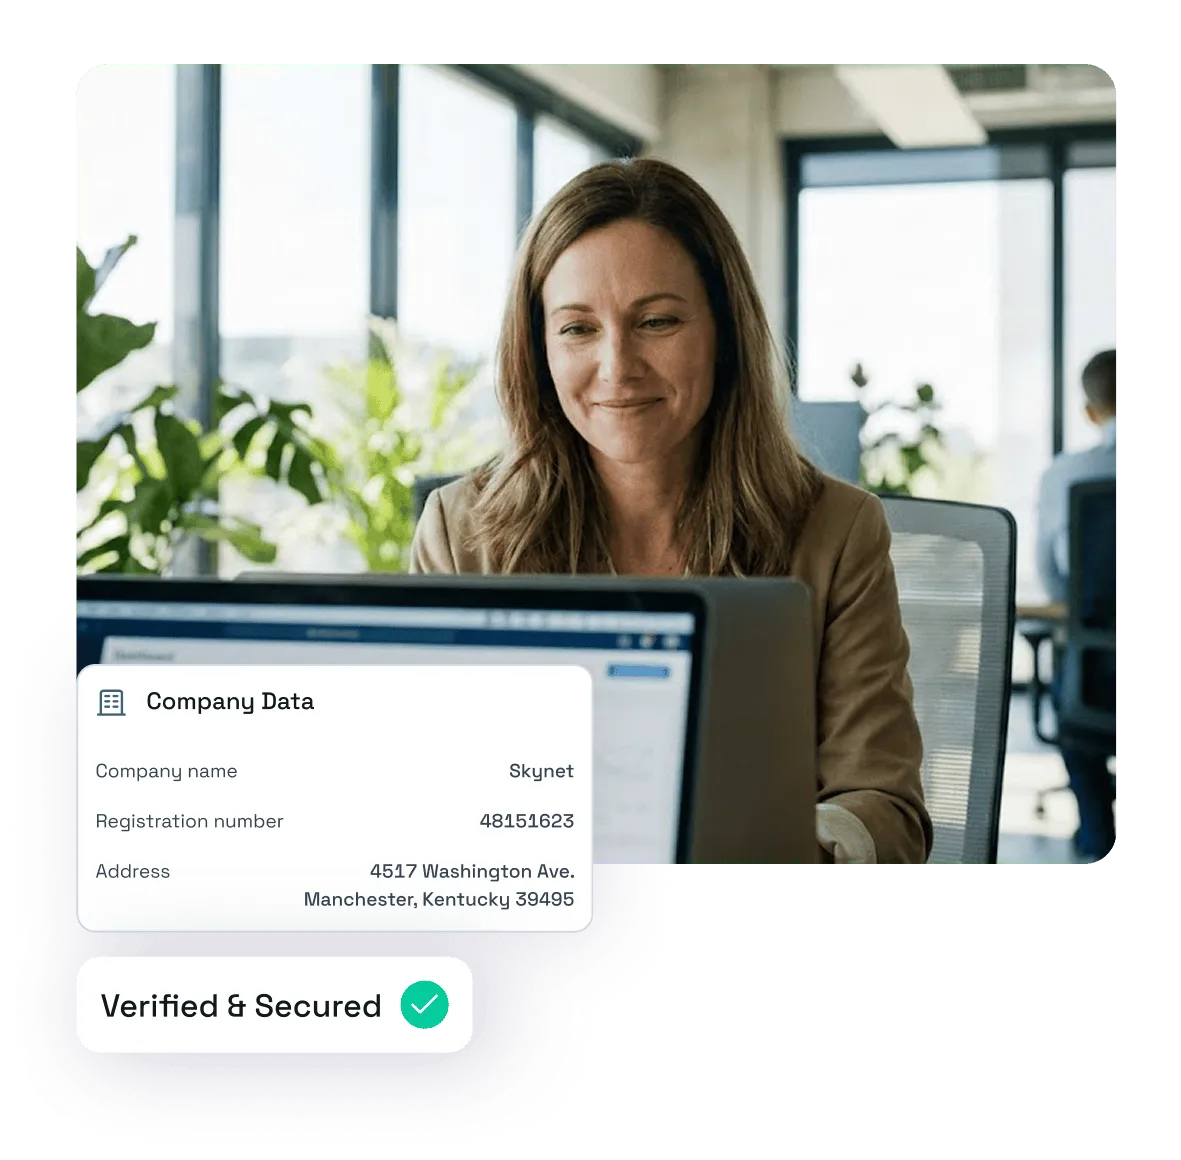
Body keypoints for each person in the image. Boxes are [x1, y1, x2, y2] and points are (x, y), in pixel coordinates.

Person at [410, 158, 932, 864]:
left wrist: (783, 856)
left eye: (656, 321)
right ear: (538, 349)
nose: (617, 366)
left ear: (724, 334)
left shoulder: (836, 532)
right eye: (577, 329)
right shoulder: (461, 531)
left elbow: (883, 808)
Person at [1035, 348, 1119, 862]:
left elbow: (1051, 578)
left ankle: (1096, 836)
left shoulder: (1062, 475)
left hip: (1095, 677)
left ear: (1090, 411)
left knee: (1077, 709)